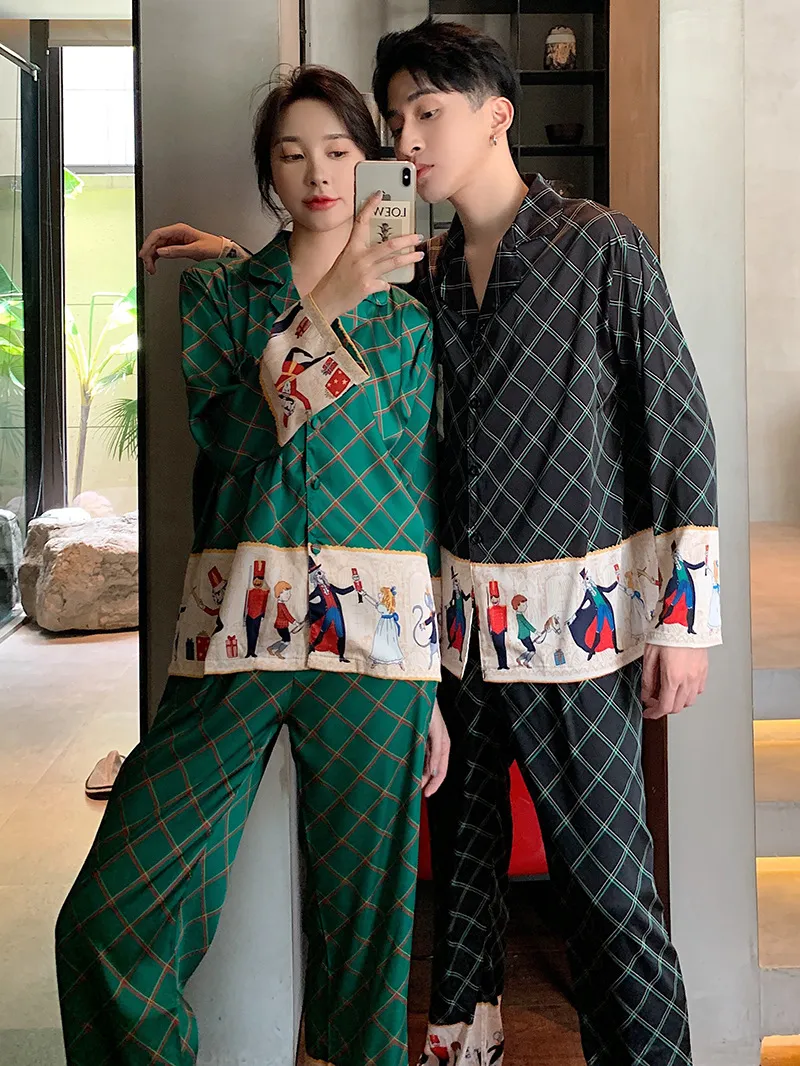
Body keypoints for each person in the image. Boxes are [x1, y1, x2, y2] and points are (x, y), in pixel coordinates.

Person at [139, 19, 722, 1066]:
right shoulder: (431, 272)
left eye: (427, 113)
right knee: (460, 900)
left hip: (573, 633)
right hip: (452, 640)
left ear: (496, 116)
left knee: (607, 892)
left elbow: (676, 424)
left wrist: (683, 623)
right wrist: (234, 258)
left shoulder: (599, 244)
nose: (404, 139)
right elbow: (335, 310)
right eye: (395, 117)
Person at [55, 65, 450, 1066]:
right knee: (108, 920)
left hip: (378, 652)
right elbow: (234, 442)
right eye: (290, 154)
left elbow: (419, 493)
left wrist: (433, 683)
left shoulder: (412, 322)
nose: (317, 173)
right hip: (235, 635)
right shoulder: (220, 297)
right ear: (267, 173)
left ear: (370, 164)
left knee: (368, 956)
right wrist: (325, 302)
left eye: (338, 151)